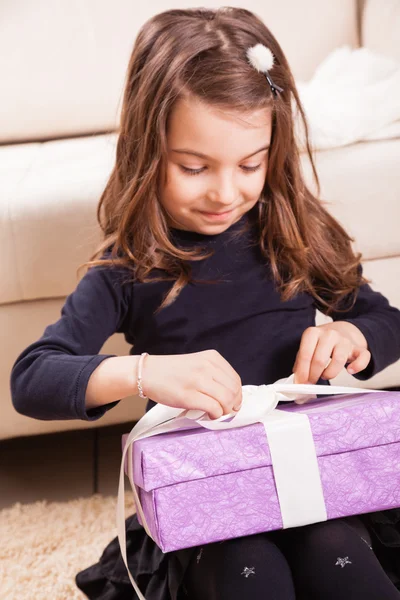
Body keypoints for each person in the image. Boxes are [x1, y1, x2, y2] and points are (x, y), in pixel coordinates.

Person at [10, 6, 400, 600]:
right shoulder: (127, 268)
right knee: (251, 569)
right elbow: (31, 378)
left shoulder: (293, 233)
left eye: (250, 164)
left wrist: (356, 338)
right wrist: (143, 373)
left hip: (311, 479)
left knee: (338, 557)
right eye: (193, 167)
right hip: (206, 500)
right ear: (148, 149)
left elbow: (386, 319)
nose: (225, 192)